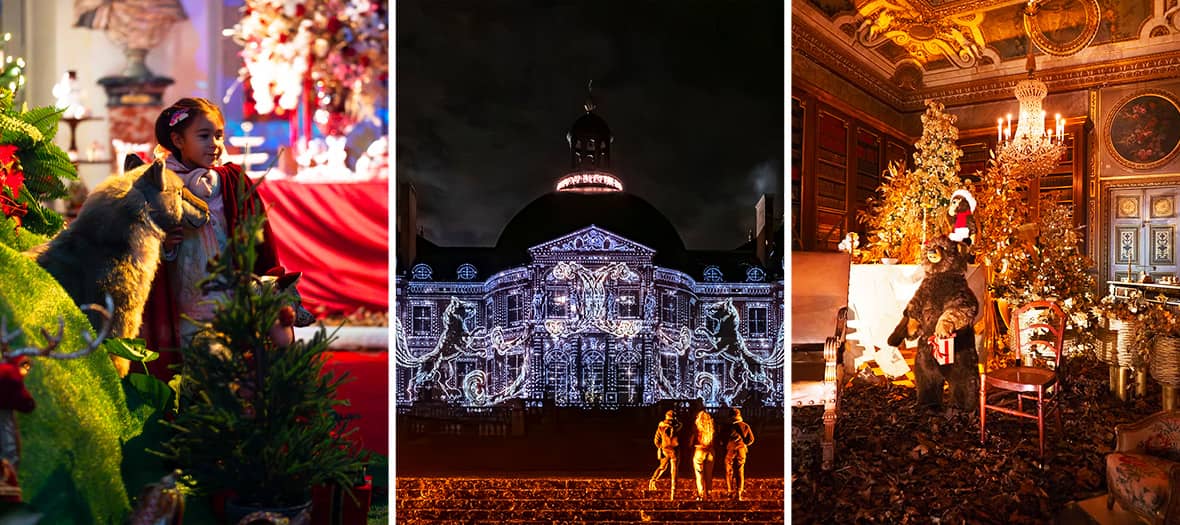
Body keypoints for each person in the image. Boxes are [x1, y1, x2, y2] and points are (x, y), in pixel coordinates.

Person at [140, 98, 279, 360]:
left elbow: (257, 233)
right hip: (186, 286)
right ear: (178, 141)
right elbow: (140, 237)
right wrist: (165, 243)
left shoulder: (229, 180)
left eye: (218, 136)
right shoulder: (160, 183)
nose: (214, 144)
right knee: (192, 354)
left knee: (231, 353)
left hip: (228, 284)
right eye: (204, 136)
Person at [648, 409, 680, 500]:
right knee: (674, 471)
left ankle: (653, 481)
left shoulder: (661, 426)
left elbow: (656, 439)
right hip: (674, 450)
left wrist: (660, 447)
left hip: (665, 449)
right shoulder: (677, 426)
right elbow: (681, 427)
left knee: (662, 467)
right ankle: (673, 492)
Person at [725, 407, 755, 501]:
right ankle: (739, 492)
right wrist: (744, 444)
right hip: (741, 449)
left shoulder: (727, 426)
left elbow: (721, 439)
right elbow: (751, 439)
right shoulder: (745, 426)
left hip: (730, 449)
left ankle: (730, 490)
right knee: (740, 470)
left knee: (728, 470)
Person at [691, 409, 715, 500]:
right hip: (710, 451)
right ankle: (709, 493)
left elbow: (690, 441)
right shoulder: (712, 428)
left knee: (699, 474)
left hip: (699, 450)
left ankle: (701, 494)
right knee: (709, 474)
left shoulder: (696, 428)